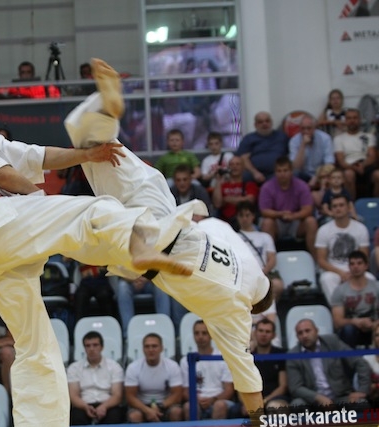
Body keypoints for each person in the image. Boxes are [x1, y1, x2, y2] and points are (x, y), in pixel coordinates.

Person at [0, 64, 191, 427]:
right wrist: (39, 201)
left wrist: (85, 155)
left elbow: (35, 156)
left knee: (35, 346)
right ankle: (137, 243)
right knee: (89, 212)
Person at [63, 58, 273, 418]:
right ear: (253, 307)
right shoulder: (236, 315)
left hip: (163, 205)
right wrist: (260, 421)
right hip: (142, 245)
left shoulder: (242, 253)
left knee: (94, 143)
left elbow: (206, 215)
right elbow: (249, 382)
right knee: (80, 234)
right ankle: (143, 250)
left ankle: (107, 107)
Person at [287, 318, 371, 407]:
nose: (304, 335)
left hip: (340, 397)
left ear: (316, 331)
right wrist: (318, 398)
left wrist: (362, 391)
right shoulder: (293, 355)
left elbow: (360, 363)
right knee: (297, 405)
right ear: (297, 337)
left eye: (307, 331)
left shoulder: (332, 342)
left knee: (361, 403)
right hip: (312, 401)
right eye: (300, 333)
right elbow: (295, 387)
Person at [316, 194, 372, 303]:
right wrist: (341, 273)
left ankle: (363, 309)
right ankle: (338, 308)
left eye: (341, 205)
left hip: (355, 268)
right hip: (333, 270)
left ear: (348, 207)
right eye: (335, 206)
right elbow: (321, 260)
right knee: (326, 279)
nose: (338, 208)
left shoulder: (361, 229)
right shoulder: (323, 230)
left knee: (371, 279)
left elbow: (364, 257)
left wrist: (354, 272)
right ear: (331, 210)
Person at [258, 156, 318, 255]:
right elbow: (264, 211)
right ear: (275, 172)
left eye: (285, 170)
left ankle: (316, 260)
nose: (282, 174)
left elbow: (308, 209)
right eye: (279, 171)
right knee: (267, 223)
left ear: (291, 171)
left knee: (311, 222)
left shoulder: (302, 186)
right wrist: (280, 214)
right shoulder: (267, 187)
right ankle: (267, 259)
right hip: (277, 221)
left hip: (296, 220)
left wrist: (293, 216)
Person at [67, 330, 124, 425]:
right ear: (84, 348)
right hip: (84, 405)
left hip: (108, 404)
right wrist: (85, 407)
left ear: (102, 347)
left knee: (115, 416)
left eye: (95, 345)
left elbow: (117, 395)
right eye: (88, 346)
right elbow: (73, 396)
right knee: (76, 417)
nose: (91, 349)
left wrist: (104, 407)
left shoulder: (114, 367)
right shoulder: (74, 368)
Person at [180, 320, 234, 421]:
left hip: (219, 399)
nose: (200, 337)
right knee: (189, 407)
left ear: (211, 335)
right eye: (197, 333)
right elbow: (186, 391)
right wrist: (196, 400)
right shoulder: (186, 360)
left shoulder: (223, 358)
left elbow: (229, 389)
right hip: (197, 400)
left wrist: (212, 400)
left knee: (220, 406)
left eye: (204, 333)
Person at [124, 333, 182, 423]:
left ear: (161, 348)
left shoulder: (172, 366)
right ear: (143, 349)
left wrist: (159, 407)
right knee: (134, 416)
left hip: (165, 404)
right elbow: (130, 397)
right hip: (141, 405)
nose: (151, 350)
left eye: (154, 346)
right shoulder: (133, 368)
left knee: (176, 412)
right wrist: (147, 410)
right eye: (147, 347)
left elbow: (177, 394)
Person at [236, 201, 284, 301]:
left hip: (263, 272)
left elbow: (272, 259)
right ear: (237, 217)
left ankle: (270, 308)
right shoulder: (234, 237)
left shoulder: (265, 237)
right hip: (243, 274)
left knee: (277, 285)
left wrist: (263, 272)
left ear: (253, 216)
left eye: (247, 215)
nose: (244, 219)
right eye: (241, 216)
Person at [330, 251, 379, 348]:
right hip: (352, 328)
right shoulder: (340, 290)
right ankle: (349, 357)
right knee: (348, 330)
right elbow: (337, 322)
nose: (355, 267)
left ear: (366, 266)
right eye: (352, 264)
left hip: (375, 325)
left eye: (359, 263)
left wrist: (375, 324)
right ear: (349, 267)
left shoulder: (376, 287)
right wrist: (356, 322)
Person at [334, 108, 379, 199]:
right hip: (349, 166)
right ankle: (351, 204)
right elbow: (341, 160)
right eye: (349, 118)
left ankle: (376, 204)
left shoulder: (369, 136)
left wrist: (362, 165)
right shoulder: (338, 139)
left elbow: (372, 156)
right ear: (345, 121)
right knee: (349, 174)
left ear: (359, 120)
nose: (352, 121)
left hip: (366, 165)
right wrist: (354, 167)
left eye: (355, 118)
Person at [114, 275, 180, 338]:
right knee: (122, 287)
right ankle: (128, 333)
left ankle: (165, 329)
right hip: (130, 282)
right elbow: (119, 272)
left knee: (161, 286)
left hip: (151, 281)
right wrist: (134, 279)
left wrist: (145, 279)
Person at [235, 112, 288, 184]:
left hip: (277, 173)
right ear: (255, 125)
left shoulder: (282, 137)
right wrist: (255, 172)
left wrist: (282, 172)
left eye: (267, 121)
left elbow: (290, 155)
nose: (264, 124)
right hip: (254, 173)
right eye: (260, 122)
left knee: (294, 174)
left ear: (271, 123)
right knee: (244, 176)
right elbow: (243, 158)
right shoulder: (249, 138)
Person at [251, 319, 289, 410]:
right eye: (261, 331)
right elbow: (242, 385)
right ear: (255, 333)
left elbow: (283, 386)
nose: (264, 334)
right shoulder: (248, 357)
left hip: (276, 398)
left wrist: (264, 401)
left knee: (274, 406)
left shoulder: (281, 355)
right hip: (252, 399)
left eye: (267, 332)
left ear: (273, 335)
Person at [289, 115, 335, 187]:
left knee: (332, 173)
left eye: (309, 128)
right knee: (294, 174)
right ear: (299, 129)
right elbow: (296, 167)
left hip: (321, 173)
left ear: (314, 128)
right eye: (303, 128)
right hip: (303, 174)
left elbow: (329, 163)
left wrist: (316, 177)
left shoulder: (325, 138)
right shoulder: (294, 141)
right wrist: (303, 145)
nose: (306, 131)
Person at [213, 156, 259, 225]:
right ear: (228, 168)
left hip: (244, 222)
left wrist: (227, 199)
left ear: (243, 168)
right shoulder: (222, 186)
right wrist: (218, 181)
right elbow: (217, 204)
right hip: (226, 223)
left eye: (238, 164)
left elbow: (250, 200)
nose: (234, 167)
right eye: (232, 164)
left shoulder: (250, 185)